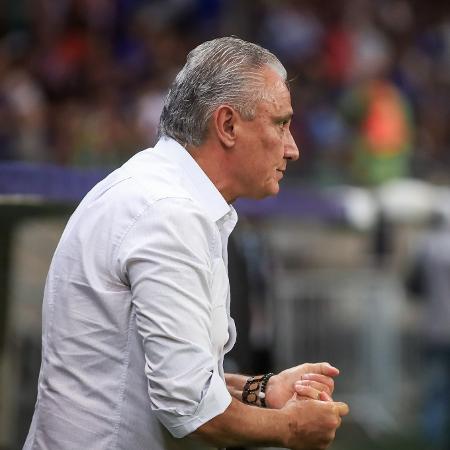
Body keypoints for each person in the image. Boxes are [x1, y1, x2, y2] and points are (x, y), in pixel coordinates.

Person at [24, 37, 349, 450]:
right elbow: (189, 408)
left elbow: (174, 379)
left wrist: (263, 391)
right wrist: (291, 428)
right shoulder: (169, 214)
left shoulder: (157, 191)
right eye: (281, 124)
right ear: (228, 125)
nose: (293, 149)